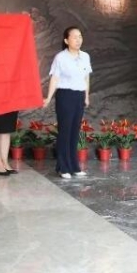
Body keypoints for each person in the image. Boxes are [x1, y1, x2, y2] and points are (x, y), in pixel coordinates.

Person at [44, 26, 92, 179]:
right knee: (65, 131)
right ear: (66, 40)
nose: (78, 40)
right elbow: (55, 78)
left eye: (80, 36)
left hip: (79, 96)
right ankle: (63, 167)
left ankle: (74, 166)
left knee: (75, 131)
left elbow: (86, 78)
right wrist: (48, 97)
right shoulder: (61, 57)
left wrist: (86, 96)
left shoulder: (85, 56)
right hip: (65, 95)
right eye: (74, 37)